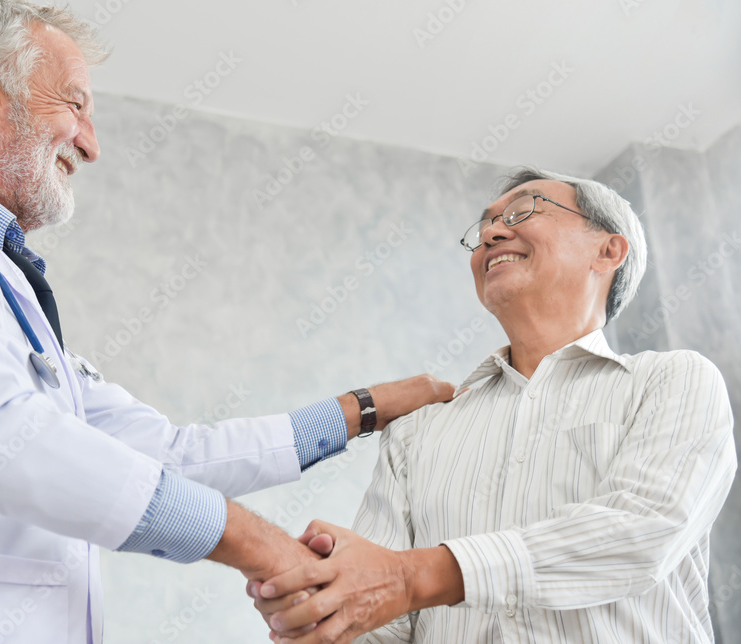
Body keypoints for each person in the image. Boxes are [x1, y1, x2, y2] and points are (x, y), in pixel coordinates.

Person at [0, 0, 454, 644]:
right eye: (76, 105)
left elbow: (170, 456)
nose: (91, 144)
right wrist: (262, 548)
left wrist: (365, 408)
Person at [251, 169, 737, 643]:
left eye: (525, 210)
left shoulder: (674, 379)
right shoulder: (418, 430)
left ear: (608, 250)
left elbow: (641, 534)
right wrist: (325, 613)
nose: (491, 232)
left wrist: (414, 577)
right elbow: (386, 621)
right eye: (484, 225)